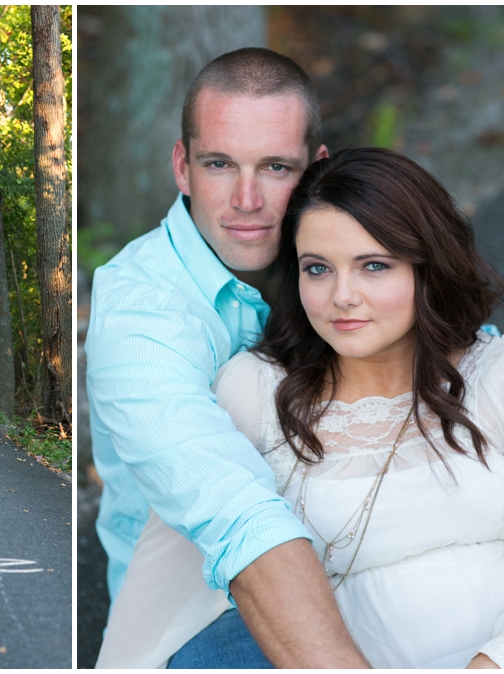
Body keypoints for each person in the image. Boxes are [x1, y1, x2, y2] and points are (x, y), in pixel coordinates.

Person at [96, 148, 504, 669]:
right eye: (317, 269)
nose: (342, 296)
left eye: (374, 266)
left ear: (426, 265)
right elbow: (168, 575)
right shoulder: (259, 391)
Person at [86, 48, 368, 667]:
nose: (246, 199)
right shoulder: (139, 312)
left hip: (361, 549)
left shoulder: (342, 258)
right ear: (183, 167)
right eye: (220, 164)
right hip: (205, 603)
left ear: (317, 170)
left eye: (275, 167)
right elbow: (229, 511)